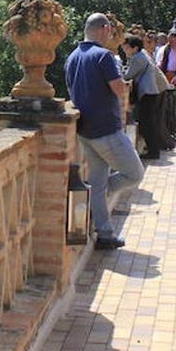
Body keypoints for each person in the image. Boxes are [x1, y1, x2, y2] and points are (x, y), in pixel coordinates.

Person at [65, 13, 145, 250]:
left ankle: (105, 234)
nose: (111, 34)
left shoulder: (72, 57)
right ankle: (94, 199)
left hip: (85, 131)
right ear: (103, 29)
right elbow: (119, 89)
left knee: (98, 182)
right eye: (109, 30)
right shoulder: (104, 57)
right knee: (135, 174)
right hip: (106, 130)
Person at [121, 34, 164, 159]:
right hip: (149, 92)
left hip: (147, 93)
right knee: (149, 122)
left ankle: (153, 151)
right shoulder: (140, 56)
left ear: (134, 48)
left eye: (127, 48)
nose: (125, 51)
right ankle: (153, 149)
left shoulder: (137, 58)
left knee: (147, 123)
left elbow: (128, 75)